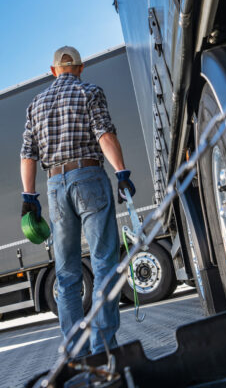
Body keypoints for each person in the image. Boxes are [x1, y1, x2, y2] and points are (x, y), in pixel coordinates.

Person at [20, 45, 135, 357]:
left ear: (53, 70)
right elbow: (104, 135)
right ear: (81, 68)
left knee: (67, 273)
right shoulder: (90, 91)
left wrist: (29, 197)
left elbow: (28, 154)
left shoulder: (35, 104)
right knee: (104, 265)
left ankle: (77, 354)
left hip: (55, 185)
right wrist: (122, 172)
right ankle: (103, 349)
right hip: (89, 177)